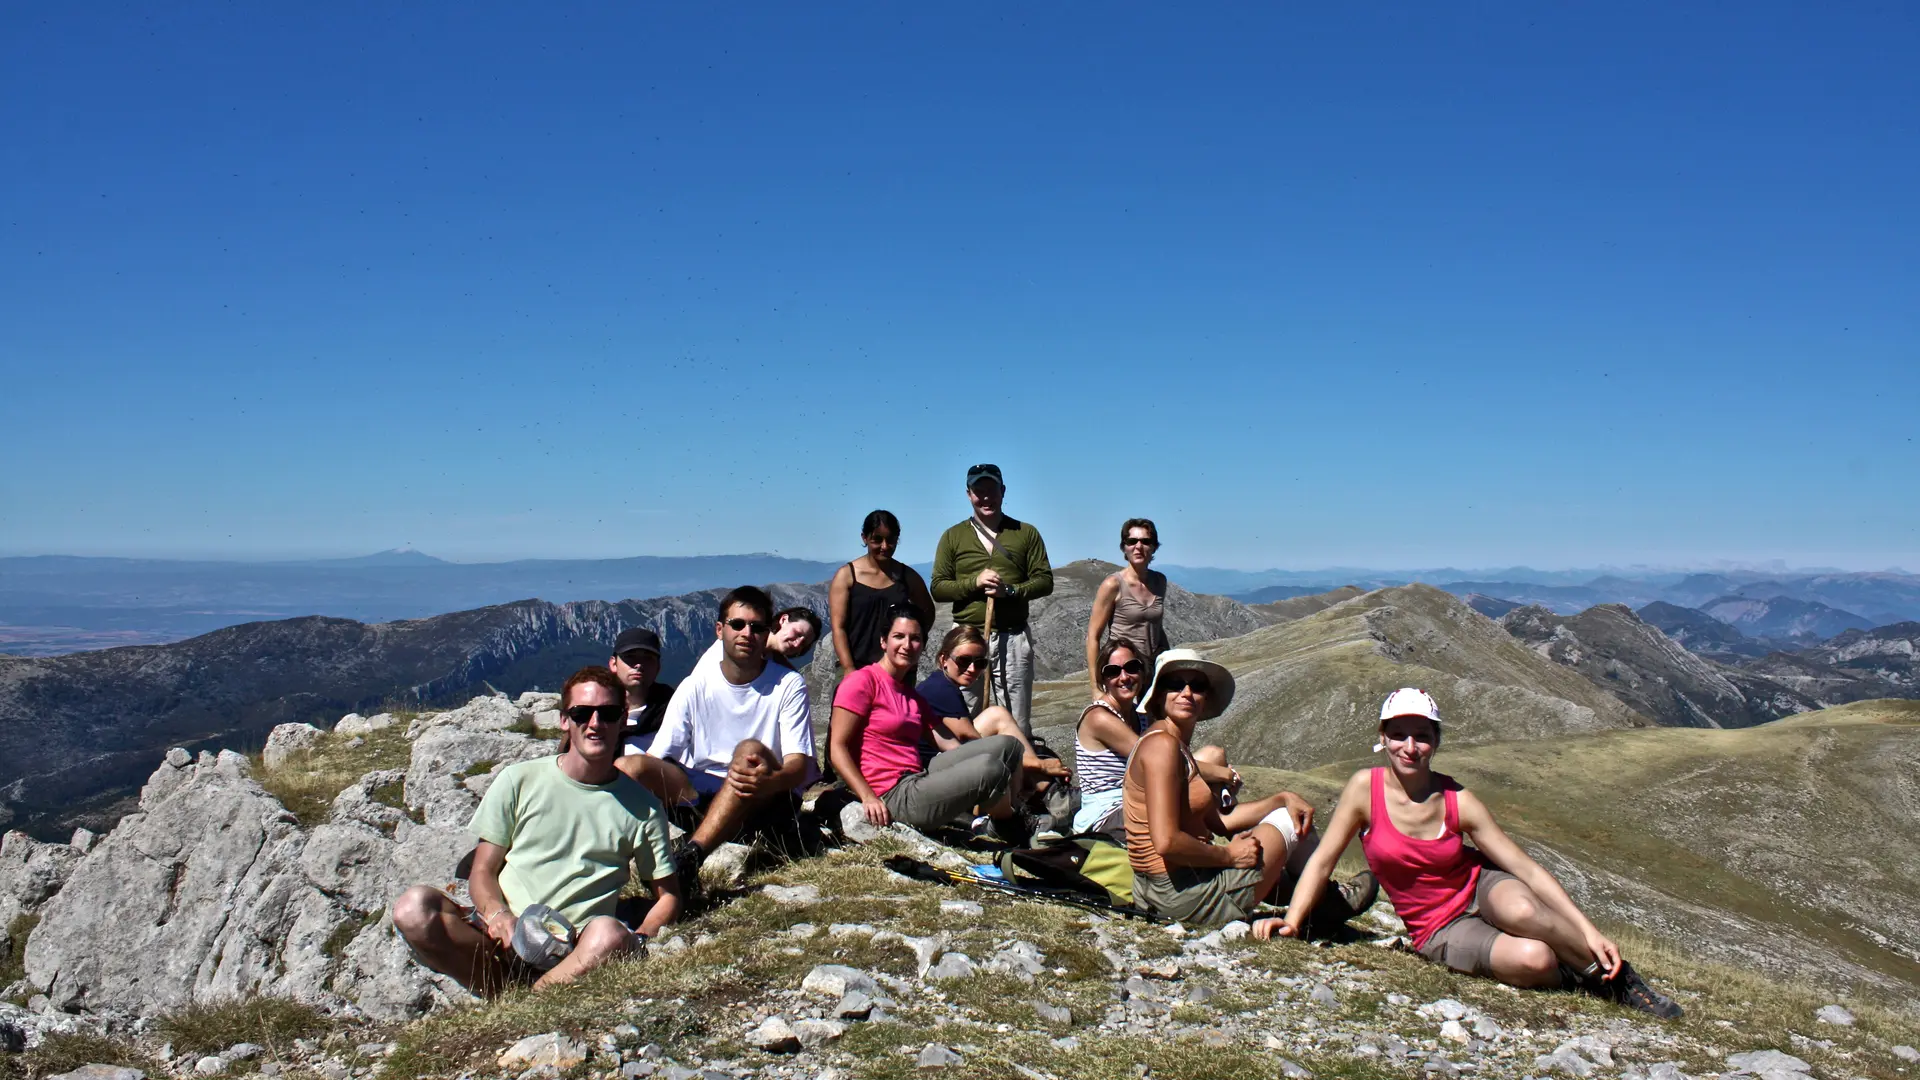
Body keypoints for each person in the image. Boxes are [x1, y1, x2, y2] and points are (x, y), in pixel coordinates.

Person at [1254, 689, 1683, 1018]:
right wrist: (1293, 921)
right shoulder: (1363, 790)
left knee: (1524, 912)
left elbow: (1524, 868)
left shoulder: (1458, 800)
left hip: (1480, 886)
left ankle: (1620, 981)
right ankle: (1574, 971)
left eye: (1422, 736)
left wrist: (1590, 931)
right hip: (1436, 926)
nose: (1409, 746)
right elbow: (1324, 860)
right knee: (1534, 959)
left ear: (1435, 743)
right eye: (1399, 735)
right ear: (1382, 739)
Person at [391, 666, 681, 994]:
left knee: (610, 935)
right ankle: (503, 989)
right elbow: (483, 870)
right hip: (502, 938)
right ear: (564, 720)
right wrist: (497, 915)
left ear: (622, 718)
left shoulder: (642, 808)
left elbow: (667, 895)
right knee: (413, 909)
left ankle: (530, 999)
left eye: (608, 713)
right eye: (582, 713)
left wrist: (639, 938)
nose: (595, 723)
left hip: (574, 946)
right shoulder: (519, 781)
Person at [1123, 649, 1375, 927]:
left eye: (1197, 686)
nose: (1186, 692)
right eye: (1175, 685)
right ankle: (1325, 900)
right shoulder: (1162, 746)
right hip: (1179, 894)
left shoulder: (1173, 746)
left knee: (1285, 810)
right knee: (1288, 823)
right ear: (1159, 694)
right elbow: (1166, 842)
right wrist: (1229, 855)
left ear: (1205, 698)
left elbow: (1220, 822)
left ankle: (1315, 898)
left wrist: (1280, 798)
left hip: (1164, 890)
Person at [619, 586, 816, 891]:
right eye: (738, 624)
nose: (747, 633)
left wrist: (770, 781)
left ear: (767, 633)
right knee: (629, 767)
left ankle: (691, 857)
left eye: (757, 627)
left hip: (761, 797)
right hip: (700, 793)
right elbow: (657, 757)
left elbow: (799, 764)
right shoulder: (696, 685)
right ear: (720, 630)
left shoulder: (788, 684)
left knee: (748, 752)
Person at [829, 607, 1025, 834]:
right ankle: (1009, 827)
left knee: (1008, 746)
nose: (907, 645)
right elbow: (837, 747)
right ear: (883, 641)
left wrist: (970, 773)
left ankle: (1014, 810)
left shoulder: (911, 695)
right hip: (891, 793)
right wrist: (867, 796)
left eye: (915, 639)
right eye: (899, 636)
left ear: (922, 646)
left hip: (917, 777)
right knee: (991, 769)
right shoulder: (861, 682)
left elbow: (948, 744)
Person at [930, 463, 1053, 734]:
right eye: (978, 490)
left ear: (1003, 491)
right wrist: (973, 583)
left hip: (1012, 636)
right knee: (960, 718)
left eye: (991, 490)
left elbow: (1044, 581)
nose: (985, 497)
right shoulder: (953, 537)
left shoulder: (1026, 533)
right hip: (966, 638)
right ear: (968, 494)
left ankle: (1014, 773)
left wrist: (1009, 591)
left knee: (1016, 722)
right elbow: (938, 588)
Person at [915, 624, 1071, 827]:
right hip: (932, 774)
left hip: (938, 763)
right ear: (944, 659)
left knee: (997, 715)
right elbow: (978, 749)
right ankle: (1020, 808)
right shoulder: (942, 691)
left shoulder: (939, 683)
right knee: (1004, 750)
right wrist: (1040, 765)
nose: (972, 669)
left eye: (980, 663)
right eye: (963, 661)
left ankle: (1040, 788)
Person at [830, 510, 936, 672]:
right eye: (877, 540)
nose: (885, 546)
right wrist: (848, 668)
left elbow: (927, 611)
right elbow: (839, 628)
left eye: (891, 540)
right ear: (864, 538)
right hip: (856, 666)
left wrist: (915, 640)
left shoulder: (907, 577)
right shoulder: (847, 576)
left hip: (897, 670)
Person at [1071, 639, 1150, 837]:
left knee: (1212, 755)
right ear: (1104, 679)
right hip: (1105, 814)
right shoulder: (1098, 717)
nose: (1124, 677)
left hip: (1136, 802)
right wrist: (1220, 773)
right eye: (1113, 672)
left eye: (1131, 667)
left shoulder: (1142, 717)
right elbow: (1154, 759)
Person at [1086, 518, 1170, 693]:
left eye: (1145, 541)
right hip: (1123, 671)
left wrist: (1167, 662)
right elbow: (1093, 637)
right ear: (1124, 547)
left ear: (1154, 547)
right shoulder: (1112, 585)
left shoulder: (1160, 581)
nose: (1138, 547)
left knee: (1154, 719)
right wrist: (1096, 687)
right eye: (1132, 541)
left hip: (1152, 669)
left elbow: (1157, 626)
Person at [610, 627, 676, 748]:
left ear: (658, 666)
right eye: (630, 656)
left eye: (648, 658)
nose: (639, 665)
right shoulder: (596, 715)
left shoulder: (677, 715)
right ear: (613, 664)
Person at [769, 606, 823, 671]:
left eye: (803, 643)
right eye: (798, 633)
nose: (797, 644)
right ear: (784, 620)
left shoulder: (786, 675)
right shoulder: (754, 637)